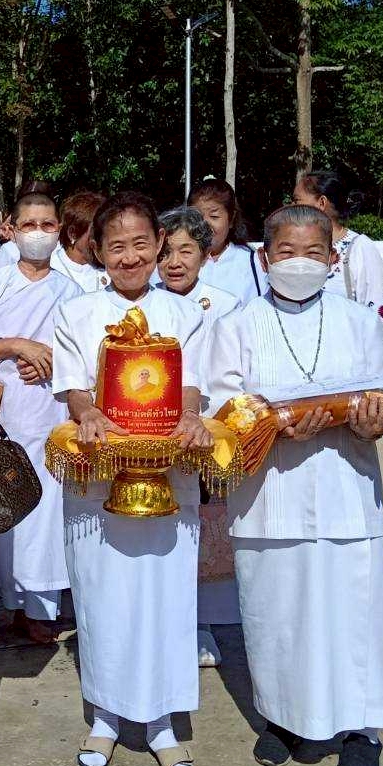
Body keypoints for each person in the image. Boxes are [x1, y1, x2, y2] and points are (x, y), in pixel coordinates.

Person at [205, 204, 383, 766]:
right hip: (270, 495)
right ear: (264, 259)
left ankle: (361, 731)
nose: (300, 264)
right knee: (276, 614)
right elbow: (223, 410)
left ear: (333, 260)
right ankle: (284, 720)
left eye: (313, 253)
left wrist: (369, 424)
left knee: (354, 616)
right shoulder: (234, 325)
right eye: (286, 253)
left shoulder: (359, 322)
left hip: (347, 491)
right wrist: (271, 425)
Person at [52, 192, 214, 766]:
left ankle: (165, 722)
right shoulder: (74, 312)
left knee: (167, 595)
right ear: (97, 250)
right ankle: (106, 715)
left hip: (169, 476)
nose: (128, 257)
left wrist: (192, 417)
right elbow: (72, 386)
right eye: (115, 246)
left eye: (140, 244)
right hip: (100, 481)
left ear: (160, 247)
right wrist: (88, 414)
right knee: (103, 596)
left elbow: (194, 383)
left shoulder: (185, 313)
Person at [0, 191, 81, 647]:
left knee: (43, 516)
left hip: (50, 412)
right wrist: (17, 347)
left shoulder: (71, 291)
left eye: (48, 224)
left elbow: (81, 352)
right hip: (1, 412)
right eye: (29, 224)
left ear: (60, 231)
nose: (39, 233)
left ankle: (36, 611)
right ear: (10, 228)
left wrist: (50, 361)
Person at [154, 206, 242, 669]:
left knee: (206, 529)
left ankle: (203, 622)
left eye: (185, 250)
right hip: (155, 435)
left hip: (208, 432)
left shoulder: (226, 304)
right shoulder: (143, 305)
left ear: (205, 254)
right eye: (165, 251)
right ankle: (168, 620)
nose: (174, 262)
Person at [291, 170, 383, 342]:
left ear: (321, 202)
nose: (291, 207)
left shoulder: (359, 248)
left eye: (297, 200)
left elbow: (378, 317)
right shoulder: (293, 250)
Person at [188, 177, 263, 306]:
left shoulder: (254, 262)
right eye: (197, 216)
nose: (204, 224)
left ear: (232, 219)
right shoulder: (175, 260)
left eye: (214, 216)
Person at [50, 190, 110, 292]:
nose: (104, 237)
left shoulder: (111, 267)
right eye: (97, 231)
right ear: (72, 233)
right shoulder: (50, 268)